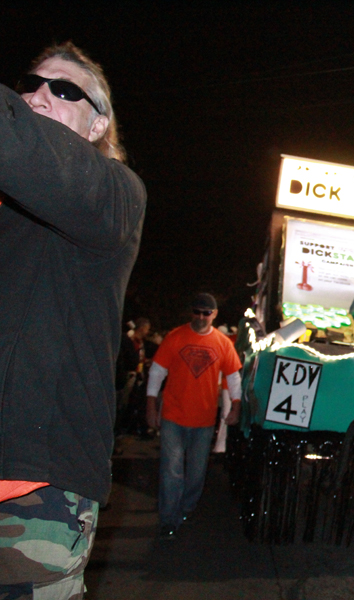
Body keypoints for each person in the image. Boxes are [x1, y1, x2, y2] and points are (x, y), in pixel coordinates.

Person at [0, 43, 146, 598]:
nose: (39, 95)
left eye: (65, 90)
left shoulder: (115, 193)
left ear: (97, 124)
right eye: (29, 85)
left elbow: (24, 150)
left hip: (36, 491)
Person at [146, 294, 242, 539]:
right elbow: (157, 372)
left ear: (215, 314)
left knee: (196, 472)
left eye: (206, 313)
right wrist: (151, 404)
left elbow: (233, 377)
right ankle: (169, 518)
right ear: (191, 312)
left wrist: (236, 405)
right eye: (197, 312)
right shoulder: (175, 337)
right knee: (171, 470)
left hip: (204, 420)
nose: (201, 317)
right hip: (173, 417)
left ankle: (186, 508)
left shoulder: (222, 343)